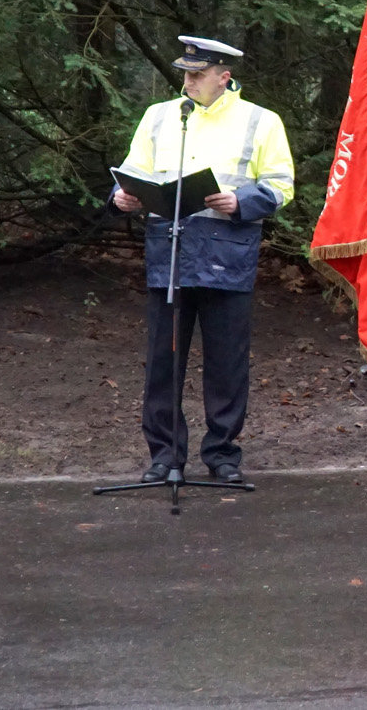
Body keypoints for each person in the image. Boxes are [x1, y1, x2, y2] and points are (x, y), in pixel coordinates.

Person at [111, 35, 294, 485]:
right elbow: (135, 171)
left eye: (198, 74)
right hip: (170, 249)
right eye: (186, 73)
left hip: (226, 252)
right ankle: (165, 455)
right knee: (162, 360)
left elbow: (282, 185)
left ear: (223, 76)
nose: (188, 82)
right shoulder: (160, 116)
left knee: (226, 361)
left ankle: (223, 454)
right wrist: (121, 197)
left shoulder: (261, 121)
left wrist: (241, 200)